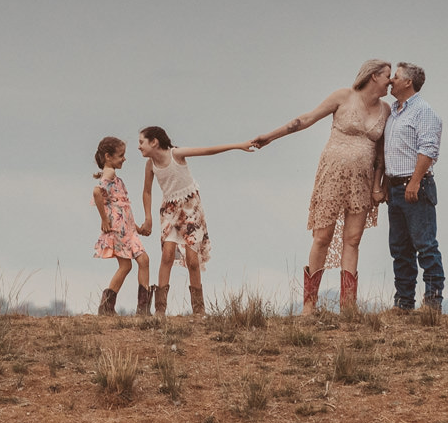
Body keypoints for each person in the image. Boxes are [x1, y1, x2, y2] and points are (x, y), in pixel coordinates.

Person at [253, 59, 393, 311]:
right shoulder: (344, 95)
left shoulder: (385, 110)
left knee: (353, 239)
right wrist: (270, 137)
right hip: (333, 174)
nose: (390, 81)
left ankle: (348, 308)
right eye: (387, 76)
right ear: (373, 76)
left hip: (362, 180)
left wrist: (377, 185)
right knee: (322, 236)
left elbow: (381, 155)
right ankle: (309, 306)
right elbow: (306, 119)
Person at [137, 126, 255, 317]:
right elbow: (147, 191)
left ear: (154, 142)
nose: (139, 147)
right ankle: (160, 310)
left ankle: (199, 311)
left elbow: (208, 150)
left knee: (192, 261)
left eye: (141, 142)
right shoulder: (150, 164)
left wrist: (238, 145)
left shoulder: (176, 154)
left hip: (190, 209)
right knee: (167, 254)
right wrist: (148, 217)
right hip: (169, 210)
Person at [384, 62, 444, 311]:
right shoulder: (394, 112)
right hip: (395, 187)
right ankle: (404, 302)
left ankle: (432, 301)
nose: (390, 81)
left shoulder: (423, 111)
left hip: (415, 185)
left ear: (408, 82)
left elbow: (428, 149)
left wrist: (415, 182)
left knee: (425, 245)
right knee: (400, 248)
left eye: (395, 77)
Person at [91, 136, 152, 316]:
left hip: (126, 229)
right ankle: (141, 309)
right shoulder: (108, 173)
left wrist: (137, 228)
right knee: (140, 261)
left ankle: (109, 306)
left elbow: (122, 206)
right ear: (108, 156)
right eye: (121, 155)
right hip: (118, 229)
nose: (124, 158)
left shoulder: (113, 175)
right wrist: (103, 219)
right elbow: (96, 192)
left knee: (130, 265)